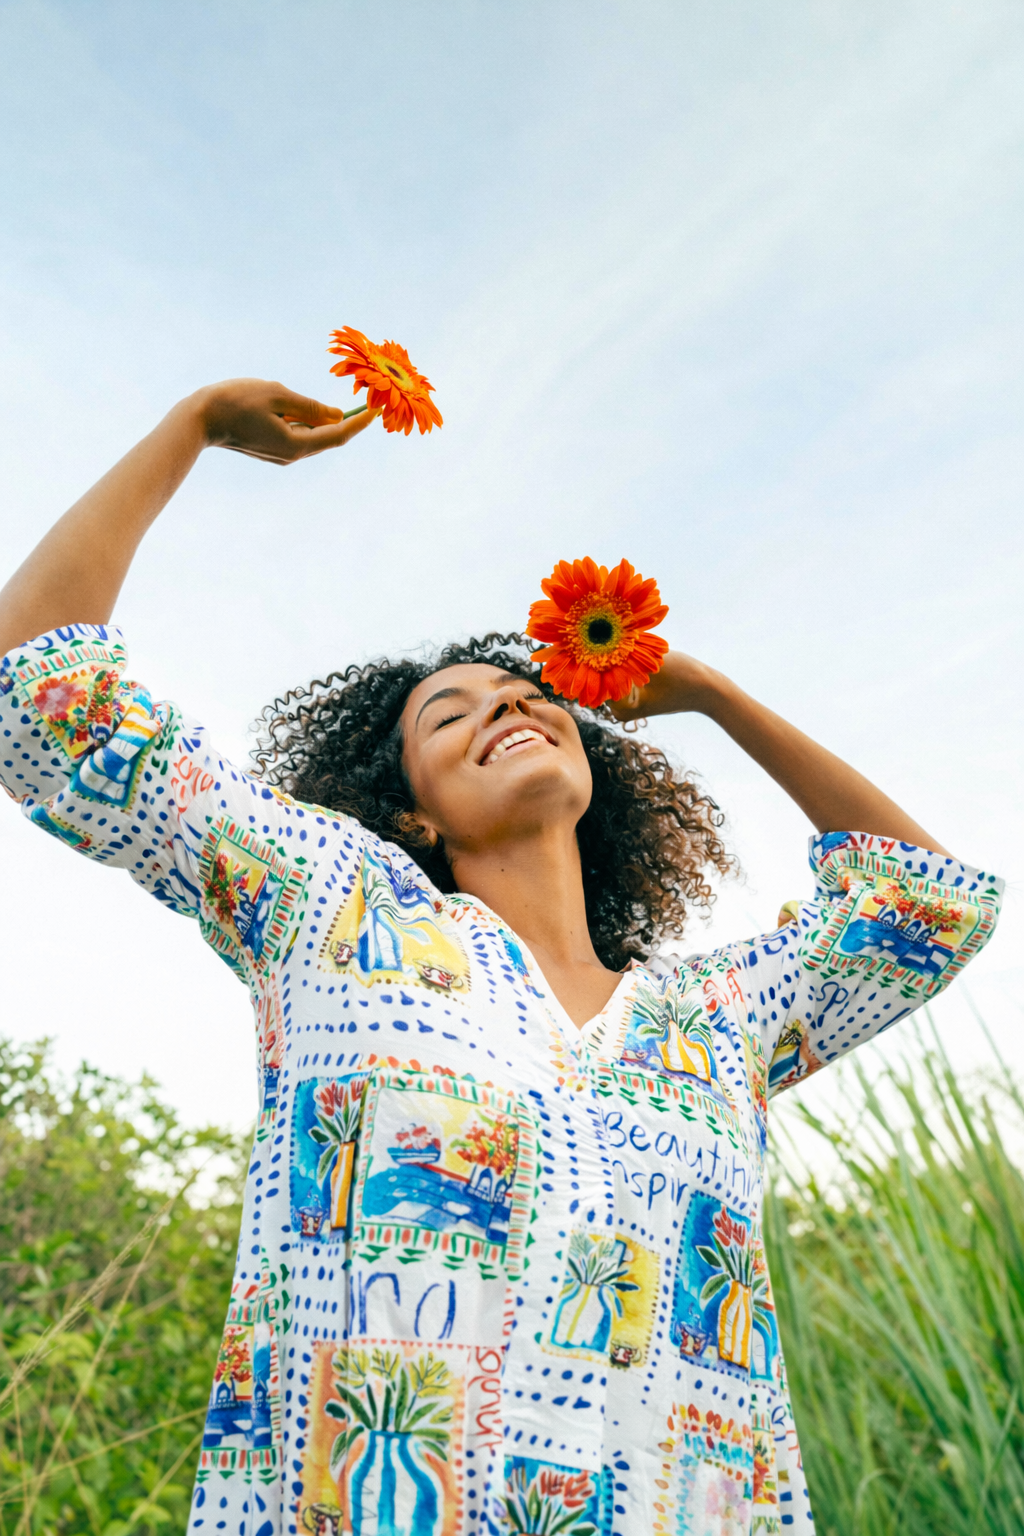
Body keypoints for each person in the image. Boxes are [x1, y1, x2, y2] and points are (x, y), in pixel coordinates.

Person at [0, 378, 1003, 1536]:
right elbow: (41, 696)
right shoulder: (331, 907)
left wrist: (715, 697)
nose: (505, 710)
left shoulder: (711, 1016)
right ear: (412, 812)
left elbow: (931, 908)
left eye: (527, 697)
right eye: (451, 715)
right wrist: (198, 425)